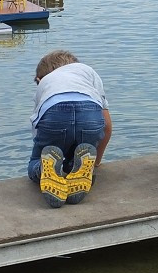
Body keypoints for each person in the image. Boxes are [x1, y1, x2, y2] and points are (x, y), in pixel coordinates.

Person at [28, 50, 113, 208]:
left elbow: (37, 127)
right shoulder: (87, 72)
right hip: (90, 112)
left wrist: (41, 148)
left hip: (54, 112)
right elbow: (107, 126)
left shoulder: (46, 82)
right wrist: (95, 163)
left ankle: (44, 169)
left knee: (36, 160)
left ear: (39, 79)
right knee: (77, 156)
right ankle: (78, 166)